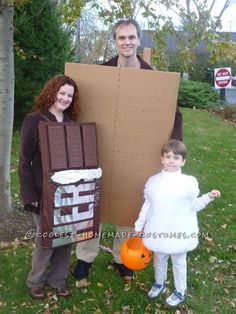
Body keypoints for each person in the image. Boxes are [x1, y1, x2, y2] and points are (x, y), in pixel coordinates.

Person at [73, 19, 183, 284]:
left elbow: (173, 114)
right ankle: (85, 259)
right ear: (115, 41)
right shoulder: (101, 73)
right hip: (101, 150)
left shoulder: (153, 76)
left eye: (132, 37)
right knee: (94, 207)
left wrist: (174, 153)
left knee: (129, 209)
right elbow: (81, 107)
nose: (127, 42)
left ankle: (122, 258)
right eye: (121, 38)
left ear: (139, 40)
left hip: (137, 153)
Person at [134, 139, 221, 307]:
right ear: (162, 159)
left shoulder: (188, 183)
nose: (171, 161)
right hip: (158, 229)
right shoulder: (153, 182)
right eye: (168, 157)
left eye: (176, 158)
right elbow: (148, 205)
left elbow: (194, 206)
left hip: (179, 230)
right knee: (159, 259)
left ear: (183, 161)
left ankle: (180, 290)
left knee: (179, 261)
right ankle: (159, 283)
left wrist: (208, 197)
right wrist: (139, 225)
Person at [19, 75, 79, 299]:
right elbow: (24, 160)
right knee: (46, 239)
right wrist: (29, 194)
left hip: (66, 193)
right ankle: (36, 280)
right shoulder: (35, 120)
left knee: (66, 237)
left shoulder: (72, 123)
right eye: (61, 93)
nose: (65, 98)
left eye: (69, 95)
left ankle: (58, 279)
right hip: (41, 191)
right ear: (52, 92)